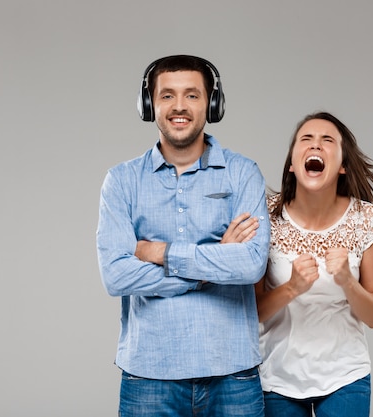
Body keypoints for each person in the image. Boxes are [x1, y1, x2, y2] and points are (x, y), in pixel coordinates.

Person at [96, 55, 270, 417]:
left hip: (233, 372)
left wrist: (160, 252)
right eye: (167, 96)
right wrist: (214, 265)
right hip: (149, 375)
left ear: (212, 103)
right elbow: (116, 275)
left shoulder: (243, 173)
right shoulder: (121, 181)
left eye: (192, 95)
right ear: (150, 105)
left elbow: (252, 265)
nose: (179, 106)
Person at [255, 112, 373, 417]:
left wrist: (347, 282)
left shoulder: (367, 220)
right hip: (276, 378)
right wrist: (291, 288)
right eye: (306, 139)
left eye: (327, 140)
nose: (316, 145)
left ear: (342, 165)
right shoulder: (265, 217)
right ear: (292, 163)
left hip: (345, 375)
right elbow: (252, 313)